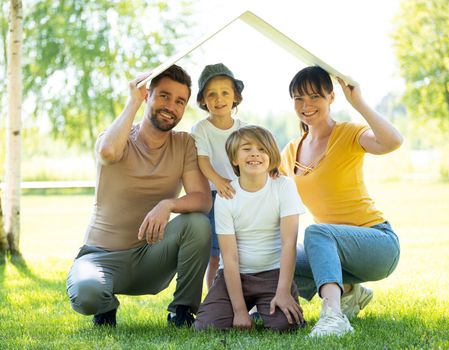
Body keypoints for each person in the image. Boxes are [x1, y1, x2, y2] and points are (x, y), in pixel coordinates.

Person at [66, 65, 212, 328]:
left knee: (198, 223)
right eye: (164, 96)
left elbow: (202, 198)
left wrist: (168, 204)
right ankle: (106, 306)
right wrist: (132, 100)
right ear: (148, 96)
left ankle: (181, 311)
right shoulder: (118, 138)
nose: (171, 106)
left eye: (180, 101)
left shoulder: (184, 144)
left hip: (151, 254)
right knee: (87, 294)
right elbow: (108, 152)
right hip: (101, 257)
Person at [280, 66, 403, 337]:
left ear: (331, 98)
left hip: (378, 242)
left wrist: (357, 102)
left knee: (317, 232)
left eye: (315, 97)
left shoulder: (349, 134)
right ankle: (350, 291)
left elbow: (392, 141)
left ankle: (333, 316)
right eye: (299, 98)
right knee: (277, 255)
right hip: (334, 253)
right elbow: (264, 186)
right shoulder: (291, 150)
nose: (306, 105)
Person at [194, 125, 306, 332]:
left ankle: (268, 303)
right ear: (234, 159)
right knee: (206, 327)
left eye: (262, 149)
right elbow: (229, 257)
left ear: (271, 157)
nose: (255, 153)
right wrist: (239, 311)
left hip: (273, 274)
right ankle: (245, 307)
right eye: (246, 148)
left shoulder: (284, 187)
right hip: (236, 275)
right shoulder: (226, 196)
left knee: (286, 327)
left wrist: (283, 291)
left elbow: (289, 243)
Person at [191, 63, 247, 289]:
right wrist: (218, 180)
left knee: (240, 252)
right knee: (216, 255)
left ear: (235, 97)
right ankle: (214, 297)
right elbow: (202, 160)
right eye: (211, 94)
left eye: (225, 92)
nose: (219, 99)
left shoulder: (245, 129)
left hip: (241, 196)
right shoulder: (201, 129)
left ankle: (245, 297)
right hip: (215, 197)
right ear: (203, 100)